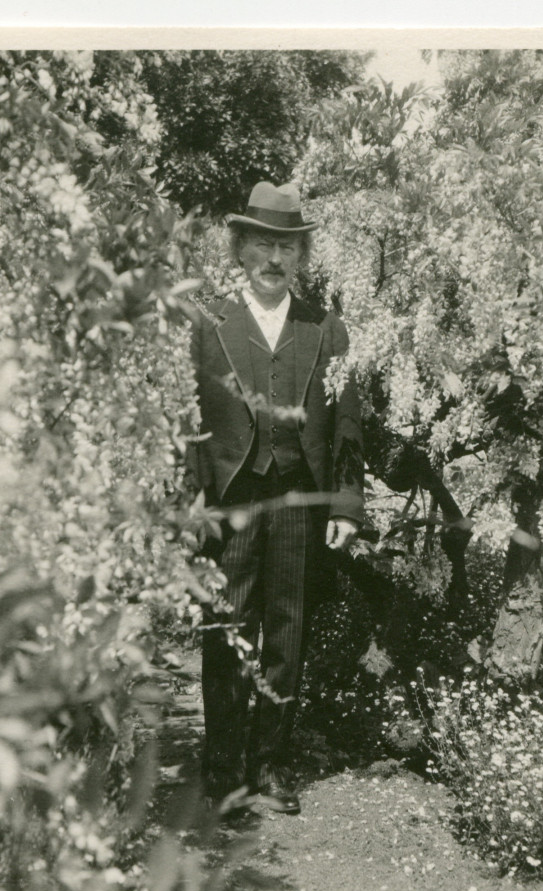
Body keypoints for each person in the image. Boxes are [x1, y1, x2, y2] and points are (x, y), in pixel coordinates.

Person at [187, 181, 364, 815]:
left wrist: (346, 507)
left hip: (298, 497)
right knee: (226, 628)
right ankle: (224, 766)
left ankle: (272, 763)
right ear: (240, 249)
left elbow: (346, 423)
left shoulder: (325, 327)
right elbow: (188, 423)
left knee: (289, 632)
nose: (273, 259)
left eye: (286, 247)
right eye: (262, 244)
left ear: (301, 257)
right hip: (230, 498)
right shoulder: (207, 321)